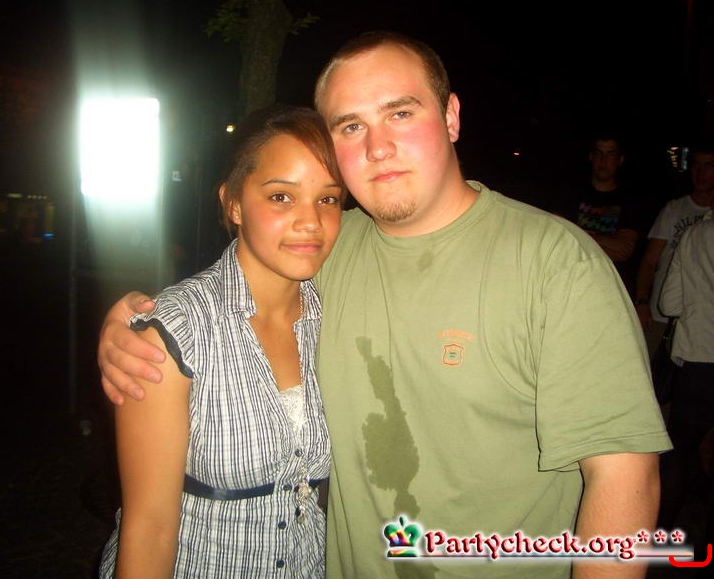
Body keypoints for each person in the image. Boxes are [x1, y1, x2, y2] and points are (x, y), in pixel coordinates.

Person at [98, 31, 670, 578]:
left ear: (451, 116)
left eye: (400, 113)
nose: (378, 147)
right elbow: (236, 284)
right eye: (351, 126)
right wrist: (134, 322)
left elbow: (625, 478)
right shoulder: (327, 250)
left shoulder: (554, 263)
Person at [97, 104, 344, 578]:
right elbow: (149, 529)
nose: (311, 221)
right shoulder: (178, 331)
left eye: (328, 199)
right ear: (233, 203)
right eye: (281, 197)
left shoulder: (334, 314)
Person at [656, 211, 714, 547]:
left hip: (702, 358)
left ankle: (660, 535)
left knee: (678, 452)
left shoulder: (697, 234)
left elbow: (670, 303)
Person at [634, 142, 714, 358]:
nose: (701, 173)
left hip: (701, 318)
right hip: (660, 312)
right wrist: (642, 302)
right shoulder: (674, 208)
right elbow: (649, 260)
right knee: (644, 365)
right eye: (697, 165)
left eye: (708, 166)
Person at [551, 133, 641, 294]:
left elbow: (624, 250)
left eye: (610, 154)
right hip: (571, 284)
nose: (603, 160)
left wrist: (581, 236)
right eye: (598, 153)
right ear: (591, 157)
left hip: (611, 288)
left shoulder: (629, 200)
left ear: (620, 160)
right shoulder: (569, 194)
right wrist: (607, 242)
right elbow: (558, 240)